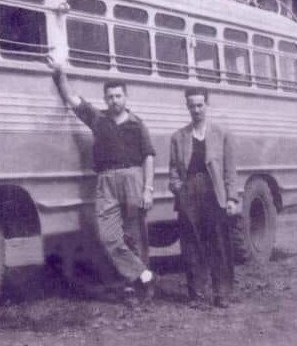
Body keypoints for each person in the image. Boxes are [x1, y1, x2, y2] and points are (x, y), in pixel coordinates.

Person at [50, 60, 157, 301]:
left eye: (118, 96)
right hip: (106, 181)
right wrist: (60, 74)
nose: (114, 100)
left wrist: (148, 189)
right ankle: (144, 274)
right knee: (109, 236)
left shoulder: (137, 124)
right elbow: (73, 99)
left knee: (134, 235)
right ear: (105, 99)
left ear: (125, 98)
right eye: (110, 97)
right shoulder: (99, 120)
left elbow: (149, 157)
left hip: (133, 178)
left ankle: (137, 287)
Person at [168, 87, 238, 308]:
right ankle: (197, 294)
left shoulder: (222, 134)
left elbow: (230, 170)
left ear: (207, 105)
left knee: (218, 243)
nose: (196, 109)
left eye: (200, 105)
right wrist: (179, 189)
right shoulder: (178, 137)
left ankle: (222, 293)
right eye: (192, 105)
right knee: (191, 245)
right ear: (187, 106)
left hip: (213, 192)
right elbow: (173, 170)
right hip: (189, 193)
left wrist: (231, 198)